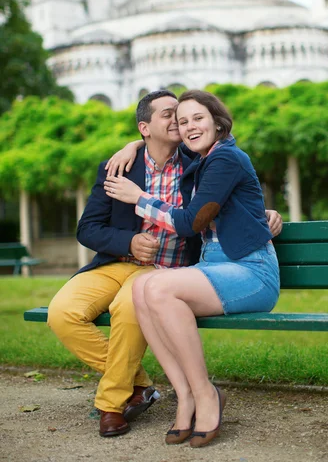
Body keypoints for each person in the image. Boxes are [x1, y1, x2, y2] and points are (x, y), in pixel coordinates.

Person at [47, 89, 283, 439]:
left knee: (136, 301)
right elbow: (88, 228)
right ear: (145, 128)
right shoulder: (122, 165)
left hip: (178, 269)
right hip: (121, 263)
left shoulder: (199, 160)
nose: (180, 123)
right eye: (173, 117)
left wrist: (264, 214)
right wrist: (128, 240)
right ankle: (143, 386)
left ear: (215, 122)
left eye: (188, 117)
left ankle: (114, 404)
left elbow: (208, 206)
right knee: (61, 313)